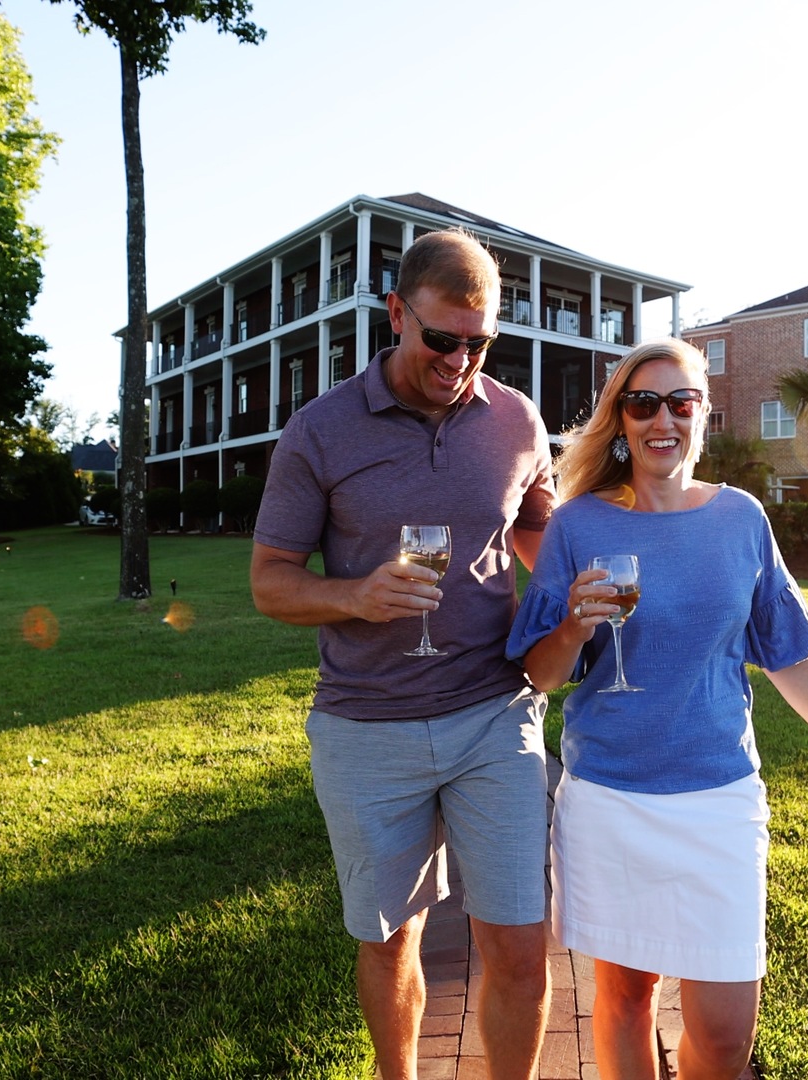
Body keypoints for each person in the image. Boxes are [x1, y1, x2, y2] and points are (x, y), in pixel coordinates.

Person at [507, 339, 808, 1079]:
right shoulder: (578, 525)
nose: (663, 419)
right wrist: (571, 625)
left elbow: (786, 653)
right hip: (610, 798)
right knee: (626, 999)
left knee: (725, 1037)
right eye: (642, 403)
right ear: (621, 422)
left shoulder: (741, 518)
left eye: (680, 402)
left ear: (703, 414)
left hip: (719, 799)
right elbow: (538, 677)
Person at [251, 228, 556, 1080]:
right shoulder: (320, 431)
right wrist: (353, 595)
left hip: (494, 713)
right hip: (366, 726)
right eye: (442, 339)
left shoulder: (516, 420)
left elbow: (535, 530)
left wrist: (581, 577)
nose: (462, 359)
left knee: (521, 943)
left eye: (480, 341)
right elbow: (270, 582)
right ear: (395, 314)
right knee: (391, 943)